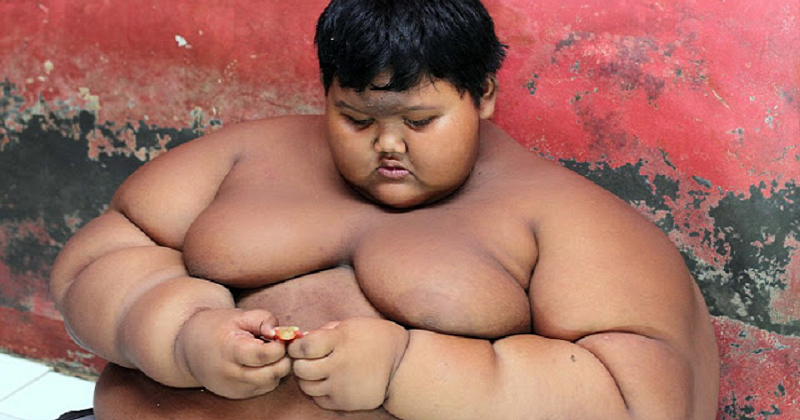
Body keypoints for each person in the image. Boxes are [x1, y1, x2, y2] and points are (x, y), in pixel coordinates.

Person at [50, 0, 720, 419]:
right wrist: (179, 334)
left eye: (420, 121)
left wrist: (407, 369)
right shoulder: (245, 155)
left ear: (484, 95)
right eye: (356, 118)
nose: (388, 145)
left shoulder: (569, 220)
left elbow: (639, 399)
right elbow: (99, 258)